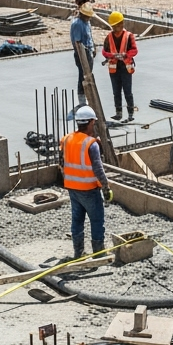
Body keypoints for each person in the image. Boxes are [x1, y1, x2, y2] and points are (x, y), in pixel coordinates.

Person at [61, 105, 113, 259]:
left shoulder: (67, 139)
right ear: (91, 122)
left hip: (72, 188)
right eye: (94, 123)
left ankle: (78, 252)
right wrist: (106, 187)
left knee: (77, 220)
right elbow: (98, 169)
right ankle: (98, 253)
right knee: (96, 220)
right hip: (89, 189)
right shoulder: (91, 144)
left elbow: (62, 163)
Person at [101, 11, 138, 123]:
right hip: (114, 69)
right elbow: (104, 51)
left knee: (128, 92)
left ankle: (130, 113)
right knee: (116, 92)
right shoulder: (109, 37)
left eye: (119, 24)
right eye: (115, 25)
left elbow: (134, 50)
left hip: (125, 68)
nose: (117, 27)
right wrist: (112, 55)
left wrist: (126, 55)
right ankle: (118, 113)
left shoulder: (129, 36)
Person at [70, 0, 97, 107]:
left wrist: (93, 47)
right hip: (82, 53)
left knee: (89, 75)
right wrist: (83, 56)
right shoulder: (77, 23)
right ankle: (82, 100)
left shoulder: (87, 21)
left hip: (89, 51)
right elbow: (77, 43)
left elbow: (89, 35)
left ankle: (89, 97)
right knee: (83, 76)